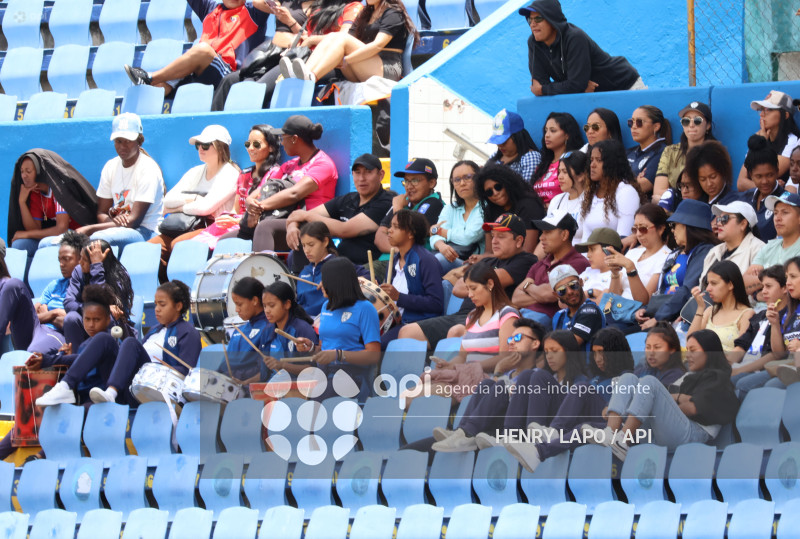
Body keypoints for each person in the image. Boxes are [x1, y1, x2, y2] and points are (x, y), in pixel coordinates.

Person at [37, 281, 202, 406]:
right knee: (104, 339)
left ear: (178, 306)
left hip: (154, 391)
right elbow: (84, 359)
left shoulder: (188, 333)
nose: (157, 309)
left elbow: (184, 374)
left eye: (162, 304)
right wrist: (48, 360)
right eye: (156, 304)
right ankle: (65, 385)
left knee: (130, 342)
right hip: (129, 386)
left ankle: (111, 392)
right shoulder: (154, 330)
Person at [495, 327, 634, 469]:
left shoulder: (627, 378)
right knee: (527, 376)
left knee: (579, 388)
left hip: (605, 425)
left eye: (603, 353)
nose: (598, 358)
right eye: (595, 353)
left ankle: (543, 439)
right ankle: (512, 437)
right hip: (578, 423)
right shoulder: (596, 379)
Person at [589, 329, 739, 459]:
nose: (688, 356)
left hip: (693, 435)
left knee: (650, 382)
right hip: (665, 431)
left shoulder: (718, 378)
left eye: (694, 350)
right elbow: (666, 396)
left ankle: (623, 440)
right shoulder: (689, 377)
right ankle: (611, 433)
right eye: (688, 350)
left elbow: (693, 408)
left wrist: (666, 405)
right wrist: (675, 400)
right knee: (628, 378)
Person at [399, 213, 537, 350]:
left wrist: (471, 280)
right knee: (407, 332)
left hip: (486, 318)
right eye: (493, 236)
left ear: (519, 241)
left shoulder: (526, 260)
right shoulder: (488, 261)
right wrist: (477, 283)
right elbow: (457, 289)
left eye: (501, 237)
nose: (494, 241)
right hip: (461, 315)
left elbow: (495, 279)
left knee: (455, 332)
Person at [211, 0, 362, 111]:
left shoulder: (353, 7)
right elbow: (306, 35)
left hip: (326, 64)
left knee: (258, 89)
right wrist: (301, 39)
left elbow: (345, 38)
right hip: (299, 55)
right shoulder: (320, 9)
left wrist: (310, 40)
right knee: (235, 80)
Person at [430, 319, 546, 452]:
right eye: (510, 339)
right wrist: (499, 372)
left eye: (518, 337)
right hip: (487, 431)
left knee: (498, 386)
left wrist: (498, 371)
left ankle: (466, 433)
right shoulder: (507, 375)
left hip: (510, 433)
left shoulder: (537, 376)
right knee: (487, 383)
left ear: (535, 343)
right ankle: (462, 432)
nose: (512, 342)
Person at [416, 263, 520, 407]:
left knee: (414, 398)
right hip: (465, 376)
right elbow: (462, 357)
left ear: (490, 284)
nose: (470, 295)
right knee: (411, 392)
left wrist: (472, 368)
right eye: (467, 289)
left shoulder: (507, 314)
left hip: (488, 379)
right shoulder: (472, 316)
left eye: (473, 288)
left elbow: (507, 357)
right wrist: (449, 365)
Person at [233, 116, 338, 252]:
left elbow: (295, 193)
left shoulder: (323, 163)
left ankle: (261, 271)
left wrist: (259, 207)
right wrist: (249, 201)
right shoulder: (290, 164)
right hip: (285, 218)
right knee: (228, 239)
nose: (282, 143)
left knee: (265, 227)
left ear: (294, 139)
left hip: (310, 222)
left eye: (283, 138)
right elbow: (264, 187)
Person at [149, 125, 239, 282]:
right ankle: (167, 291)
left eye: (205, 145)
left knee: (179, 244)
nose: (200, 149)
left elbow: (205, 208)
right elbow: (167, 200)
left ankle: (183, 292)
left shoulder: (230, 173)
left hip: (213, 228)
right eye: (198, 145)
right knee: (150, 248)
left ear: (219, 147)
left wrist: (180, 207)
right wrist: (193, 200)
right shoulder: (195, 172)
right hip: (184, 226)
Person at [124, 0, 271, 92]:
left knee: (203, 49)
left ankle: (150, 77)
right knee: (160, 89)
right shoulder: (209, 9)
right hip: (200, 72)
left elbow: (270, 3)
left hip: (228, 75)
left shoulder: (253, 13)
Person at [285, 153, 392, 270]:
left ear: (381, 175)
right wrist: (292, 227)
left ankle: (304, 278)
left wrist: (304, 215)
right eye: (357, 173)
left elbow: (344, 230)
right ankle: (303, 279)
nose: (362, 178)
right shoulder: (349, 199)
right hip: (338, 261)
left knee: (308, 224)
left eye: (368, 172)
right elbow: (298, 216)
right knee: (305, 227)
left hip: (363, 269)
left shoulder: (385, 202)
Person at [295, 257, 381, 402]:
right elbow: (324, 350)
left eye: (325, 281)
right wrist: (310, 348)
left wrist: (339, 355)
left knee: (317, 407)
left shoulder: (365, 309)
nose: (320, 285)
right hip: (325, 373)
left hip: (352, 375)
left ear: (337, 283)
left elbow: (374, 355)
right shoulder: (326, 306)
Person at [76, 113, 166, 249]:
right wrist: (114, 222)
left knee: (96, 238)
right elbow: (101, 212)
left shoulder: (148, 168)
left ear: (139, 140)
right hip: (119, 227)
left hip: (146, 230)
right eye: (118, 141)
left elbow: (134, 221)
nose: (122, 146)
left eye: (128, 141)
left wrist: (90, 229)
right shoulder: (110, 166)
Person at [519, 0, 642, 96]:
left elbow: (574, 84)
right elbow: (539, 84)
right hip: (596, 96)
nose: (533, 24)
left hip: (625, 85)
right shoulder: (534, 43)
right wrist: (576, 87)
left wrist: (574, 87)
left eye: (538, 18)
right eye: (530, 19)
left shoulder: (574, 38)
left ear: (552, 19)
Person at [192, 124, 283, 249]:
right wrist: (226, 219)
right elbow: (235, 210)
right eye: (248, 144)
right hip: (234, 223)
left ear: (271, 147)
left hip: (250, 227)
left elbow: (264, 212)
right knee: (194, 244)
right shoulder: (244, 174)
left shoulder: (275, 173)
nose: (250, 148)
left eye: (256, 144)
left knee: (213, 246)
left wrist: (236, 221)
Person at [284, 0, 418, 82]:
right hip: (361, 63)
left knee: (341, 37)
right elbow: (347, 38)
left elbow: (378, 45)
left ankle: (312, 76)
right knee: (333, 37)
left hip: (386, 68)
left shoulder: (393, 12)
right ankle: (304, 73)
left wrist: (347, 59)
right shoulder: (365, 13)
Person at [635, 199, 717, 328]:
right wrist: (647, 309)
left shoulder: (704, 251)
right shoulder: (675, 253)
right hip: (661, 313)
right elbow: (661, 290)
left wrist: (658, 318)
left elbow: (687, 290)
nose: (672, 231)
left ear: (688, 226)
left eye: (674, 225)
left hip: (675, 318)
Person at [0, 233, 83, 357]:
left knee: (34, 352)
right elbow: (33, 314)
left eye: (66, 259)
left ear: (81, 259)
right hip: (35, 330)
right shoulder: (54, 285)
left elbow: (72, 321)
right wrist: (54, 313)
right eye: (59, 260)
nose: (61, 264)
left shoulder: (86, 288)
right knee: (14, 285)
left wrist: (45, 313)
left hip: (57, 335)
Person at [8, 150, 96, 261]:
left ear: (39, 172)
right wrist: (22, 202)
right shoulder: (35, 193)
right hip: (55, 238)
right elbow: (35, 228)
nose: (24, 176)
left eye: (28, 171)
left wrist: (26, 234)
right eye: (22, 171)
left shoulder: (59, 191)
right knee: (19, 245)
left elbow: (61, 229)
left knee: (45, 243)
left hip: (76, 237)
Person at [378, 210, 444, 347]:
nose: (389, 231)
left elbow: (436, 303)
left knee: (376, 346)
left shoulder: (426, 260)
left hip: (415, 325)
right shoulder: (394, 261)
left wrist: (399, 297)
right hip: (394, 322)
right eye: (390, 226)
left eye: (396, 227)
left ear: (410, 233)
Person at [513, 211, 589, 325]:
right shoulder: (539, 264)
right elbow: (516, 298)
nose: (541, 237)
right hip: (524, 317)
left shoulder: (578, 263)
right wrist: (541, 296)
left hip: (546, 322)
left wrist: (528, 287)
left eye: (547, 232)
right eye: (542, 232)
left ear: (564, 235)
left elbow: (548, 295)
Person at [63, 239, 134, 349]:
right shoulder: (78, 271)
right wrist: (89, 309)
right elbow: (68, 303)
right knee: (71, 318)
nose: (80, 262)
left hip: (114, 327)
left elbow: (104, 301)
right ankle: (77, 360)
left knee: (107, 316)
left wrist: (96, 267)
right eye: (80, 257)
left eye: (85, 260)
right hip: (87, 322)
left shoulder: (119, 275)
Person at [729, 265, 788, 397]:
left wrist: (739, 370)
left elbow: (775, 354)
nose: (763, 291)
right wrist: (725, 364)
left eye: (769, 286)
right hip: (744, 365)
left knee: (737, 381)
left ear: (784, 288)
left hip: (761, 368)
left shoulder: (788, 316)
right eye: (762, 287)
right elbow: (741, 345)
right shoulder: (760, 315)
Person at [603, 203, 673, 304]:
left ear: (661, 229)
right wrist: (615, 274)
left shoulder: (667, 257)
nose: (638, 234)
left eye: (643, 229)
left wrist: (631, 268)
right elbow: (613, 297)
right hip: (618, 311)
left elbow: (644, 302)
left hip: (636, 316)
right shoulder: (633, 253)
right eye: (635, 229)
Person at [580, 139, 642, 247]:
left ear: (612, 163)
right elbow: (585, 239)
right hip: (590, 259)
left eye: (598, 160)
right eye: (591, 160)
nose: (592, 165)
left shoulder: (626, 192)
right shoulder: (590, 194)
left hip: (613, 258)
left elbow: (623, 239)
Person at [375, 157, 443, 256]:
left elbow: (407, 235)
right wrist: (399, 250)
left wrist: (398, 209)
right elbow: (379, 236)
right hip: (391, 259)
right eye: (406, 181)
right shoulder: (403, 202)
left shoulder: (434, 203)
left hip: (412, 262)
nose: (409, 186)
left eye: (415, 181)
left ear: (431, 183)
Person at [653, 101, 715, 205]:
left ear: (708, 125)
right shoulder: (670, 151)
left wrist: (670, 200)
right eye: (686, 121)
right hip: (672, 207)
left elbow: (711, 191)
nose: (691, 125)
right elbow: (658, 192)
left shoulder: (715, 152)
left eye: (697, 121)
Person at [737, 90, 800, 192]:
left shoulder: (793, 141)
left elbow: (767, 174)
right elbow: (741, 183)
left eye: (768, 110)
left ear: (785, 115)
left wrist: (763, 145)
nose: (762, 114)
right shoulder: (759, 137)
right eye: (761, 110)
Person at [477, 164, 545, 253]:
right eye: (489, 192)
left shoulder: (529, 205)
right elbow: (489, 251)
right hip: (498, 262)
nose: (495, 193)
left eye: (498, 187)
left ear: (508, 183)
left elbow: (527, 252)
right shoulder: (489, 210)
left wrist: (487, 259)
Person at [430, 161, 484, 273]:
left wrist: (441, 232)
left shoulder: (485, 207)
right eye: (457, 180)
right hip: (450, 257)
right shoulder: (450, 208)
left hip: (475, 265)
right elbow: (434, 236)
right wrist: (441, 245)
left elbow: (468, 238)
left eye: (468, 177)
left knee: (437, 260)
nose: (462, 183)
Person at [744, 192, 800, 298]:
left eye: (785, 212)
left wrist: (761, 277)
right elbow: (744, 283)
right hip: (760, 311)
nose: (777, 218)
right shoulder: (769, 246)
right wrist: (776, 279)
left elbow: (792, 290)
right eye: (775, 213)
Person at [689, 260, 754, 351]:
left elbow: (741, 351)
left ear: (730, 285)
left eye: (714, 283)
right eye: (708, 284)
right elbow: (690, 344)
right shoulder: (710, 311)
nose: (708, 289)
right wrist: (700, 308)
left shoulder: (746, 314)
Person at [259, 281, 319, 379]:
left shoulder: (302, 329)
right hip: (273, 386)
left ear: (287, 304)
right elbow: (264, 372)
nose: (267, 310)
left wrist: (282, 365)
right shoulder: (267, 331)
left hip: (298, 388)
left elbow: (312, 370)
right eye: (264, 306)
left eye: (272, 305)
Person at [700, 201, 764, 282]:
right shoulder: (713, 252)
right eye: (719, 219)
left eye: (725, 218)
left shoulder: (759, 250)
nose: (719, 223)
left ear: (743, 224)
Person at [532, 112, 584, 206]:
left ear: (567, 135)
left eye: (553, 131)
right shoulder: (542, 165)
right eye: (546, 131)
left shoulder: (573, 162)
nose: (547, 135)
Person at [549, 265, 605, 350]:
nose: (570, 292)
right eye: (561, 290)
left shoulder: (590, 310)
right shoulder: (559, 316)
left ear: (581, 282)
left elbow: (570, 346)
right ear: (556, 295)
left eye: (573, 285)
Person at [742, 135, 784, 241]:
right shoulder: (745, 198)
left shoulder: (785, 201)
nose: (765, 181)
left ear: (777, 171)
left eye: (769, 175)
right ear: (751, 175)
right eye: (759, 176)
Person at [487, 109, 541, 184]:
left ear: (518, 137)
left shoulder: (530, 157)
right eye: (497, 141)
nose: (500, 145)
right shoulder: (494, 157)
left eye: (504, 141)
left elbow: (525, 189)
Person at [627, 105, 671, 195]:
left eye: (639, 122)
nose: (634, 127)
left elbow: (643, 186)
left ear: (656, 126)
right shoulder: (628, 152)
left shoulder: (663, 152)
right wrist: (634, 181)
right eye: (631, 122)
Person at [547, 150, 588, 246]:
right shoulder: (556, 200)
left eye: (565, 172)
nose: (560, 177)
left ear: (581, 175)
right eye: (559, 172)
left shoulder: (591, 200)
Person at [684, 141, 741, 206]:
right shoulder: (698, 202)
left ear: (723, 172)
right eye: (703, 179)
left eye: (713, 177)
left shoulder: (733, 202)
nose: (709, 184)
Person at [575, 227, 625, 300]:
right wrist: (591, 292)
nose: (588, 255)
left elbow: (613, 301)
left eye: (592, 249)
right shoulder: (587, 271)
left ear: (609, 250)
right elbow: (563, 302)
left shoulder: (620, 275)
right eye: (588, 250)